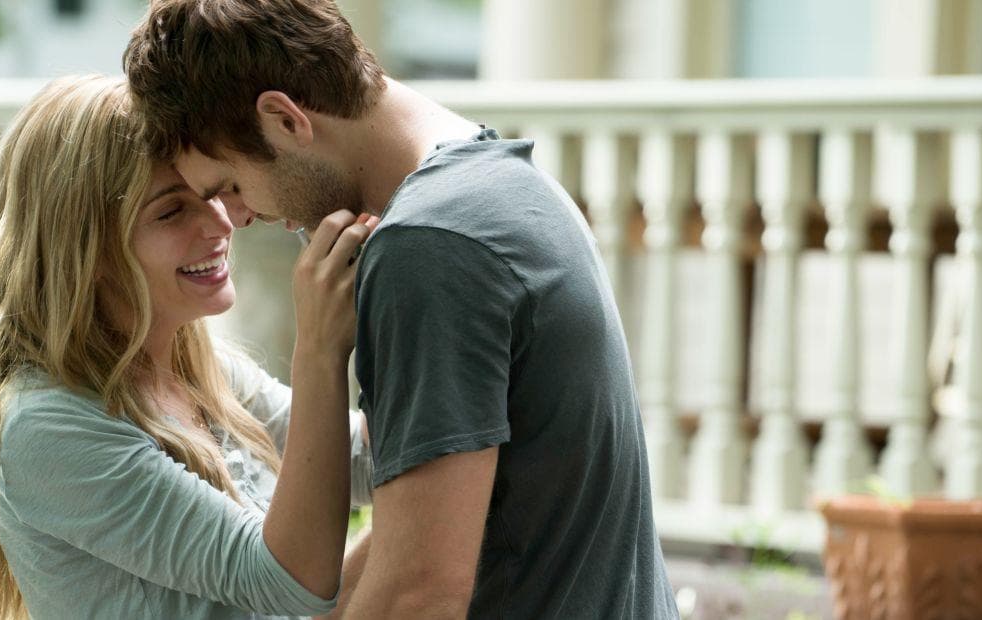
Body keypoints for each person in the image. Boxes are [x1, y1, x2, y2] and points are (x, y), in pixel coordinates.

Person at [124, 2, 679, 618]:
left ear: (284, 119)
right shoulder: (500, 183)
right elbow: (429, 527)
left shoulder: (429, 247)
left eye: (229, 184)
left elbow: (419, 593)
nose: (239, 216)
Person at [0, 75, 377, 619]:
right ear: (84, 249)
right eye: (171, 211)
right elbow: (290, 580)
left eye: (212, 193)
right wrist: (321, 352)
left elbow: (365, 463)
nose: (221, 222)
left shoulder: (198, 369)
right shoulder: (42, 427)